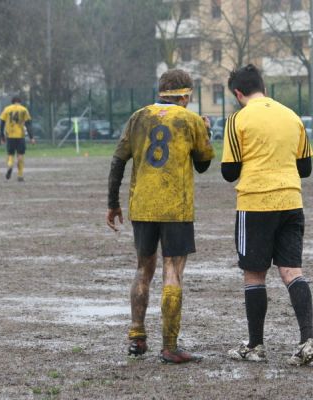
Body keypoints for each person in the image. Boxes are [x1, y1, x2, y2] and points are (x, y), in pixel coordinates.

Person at [106, 69, 215, 364]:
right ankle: (170, 345)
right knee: (172, 271)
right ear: (183, 95)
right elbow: (203, 164)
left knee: (143, 269)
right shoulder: (190, 120)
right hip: (175, 207)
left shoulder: (138, 117)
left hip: (142, 205)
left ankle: (137, 336)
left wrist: (113, 202)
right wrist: (206, 131)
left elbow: (118, 161)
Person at [221, 64, 313, 366]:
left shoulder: (237, 119)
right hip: (291, 201)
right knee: (292, 272)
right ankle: (306, 341)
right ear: (263, 86)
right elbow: (306, 168)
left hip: (255, 203)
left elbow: (229, 172)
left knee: (254, 274)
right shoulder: (291, 116)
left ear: (238, 93)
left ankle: (255, 345)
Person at [0, 96, 35, 182]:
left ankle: (10, 165)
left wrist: (2, 136)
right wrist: (31, 137)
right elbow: (28, 124)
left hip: (10, 136)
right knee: (20, 156)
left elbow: (2, 123)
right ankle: (20, 175)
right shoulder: (24, 109)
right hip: (20, 136)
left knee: (10, 154)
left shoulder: (7, 109)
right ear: (20, 101)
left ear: (12, 102)